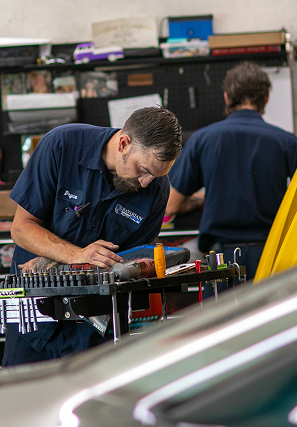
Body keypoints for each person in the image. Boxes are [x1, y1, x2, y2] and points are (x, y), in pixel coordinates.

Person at [3, 106, 182, 367]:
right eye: (142, 169)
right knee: (23, 401)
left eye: (155, 175)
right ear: (124, 143)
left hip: (94, 327)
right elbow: (21, 228)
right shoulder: (62, 146)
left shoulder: (156, 190)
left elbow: (129, 261)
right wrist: (76, 255)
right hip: (32, 315)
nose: (145, 182)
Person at [166, 61, 297, 286]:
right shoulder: (286, 142)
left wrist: (199, 200)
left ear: (227, 97)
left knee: (224, 320)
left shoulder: (202, 139)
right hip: (272, 256)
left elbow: (171, 205)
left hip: (220, 261)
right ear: (265, 97)